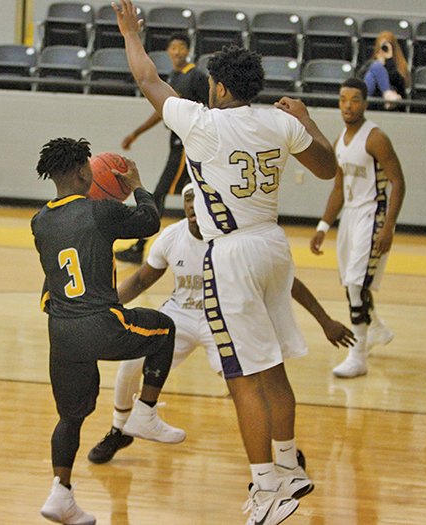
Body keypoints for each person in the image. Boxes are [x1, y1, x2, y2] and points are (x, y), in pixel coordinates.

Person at [114, 2, 339, 524]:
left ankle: (267, 487)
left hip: (233, 253)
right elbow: (327, 169)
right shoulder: (281, 122)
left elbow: (146, 76)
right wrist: (307, 118)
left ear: (217, 86)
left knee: (242, 377)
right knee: (274, 366)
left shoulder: (203, 123)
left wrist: (129, 33)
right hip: (274, 246)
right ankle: (289, 465)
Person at [89, 183, 355, 464]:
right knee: (130, 365)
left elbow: (287, 282)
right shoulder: (171, 237)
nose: (192, 205)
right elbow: (141, 279)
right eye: (188, 199)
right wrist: (104, 307)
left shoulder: (232, 239)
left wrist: (325, 321)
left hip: (221, 318)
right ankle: (120, 429)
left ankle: (284, 449)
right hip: (180, 314)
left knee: (251, 384)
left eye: (198, 199)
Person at [32, 137, 185, 525]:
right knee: (165, 329)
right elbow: (149, 221)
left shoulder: (40, 221)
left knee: (70, 417)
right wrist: (135, 186)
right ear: (84, 171)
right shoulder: (99, 212)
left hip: (61, 332)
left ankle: (60, 493)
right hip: (101, 323)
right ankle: (144, 413)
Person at [310, 77, 406, 379]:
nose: (348, 105)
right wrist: (324, 225)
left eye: (354, 100)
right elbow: (339, 187)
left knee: (355, 283)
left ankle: (358, 354)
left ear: (365, 102)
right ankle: (375, 326)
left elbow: (398, 181)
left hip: (372, 214)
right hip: (350, 217)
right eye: (343, 99)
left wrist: (388, 226)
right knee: (352, 282)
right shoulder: (341, 140)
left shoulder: (375, 137)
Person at [115, 32, 209, 264]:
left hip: (188, 144)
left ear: (188, 50)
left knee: (161, 194)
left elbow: (212, 108)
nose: (176, 51)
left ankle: (140, 246)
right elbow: (163, 111)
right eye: (173, 47)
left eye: (181, 47)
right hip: (178, 142)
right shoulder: (174, 76)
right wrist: (136, 133)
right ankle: (206, 245)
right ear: (168, 51)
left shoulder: (196, 76)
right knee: (197, 191)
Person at [360, 31, 410, 108]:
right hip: (373, 100)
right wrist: (379, 65)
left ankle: (387, 94)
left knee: (376, 68)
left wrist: (389, 61)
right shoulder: (371, 64)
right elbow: (359, 79)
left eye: (386, 47)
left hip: (392, 104)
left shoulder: (399, 64)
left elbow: (400, 86)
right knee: (372, 71)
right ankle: (388, 94)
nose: (383, 50)